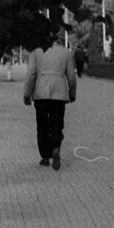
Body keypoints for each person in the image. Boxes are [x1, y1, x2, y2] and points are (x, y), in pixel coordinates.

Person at [23, 32, 77, 170]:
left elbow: (31, 74)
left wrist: (27, 94)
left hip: (41, 92)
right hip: (59, 92)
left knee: (42, 125)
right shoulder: (66, 52)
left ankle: (45, 157)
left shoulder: (36, 52)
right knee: (57, 123)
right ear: (57, 39)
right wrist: (72, 93)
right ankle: (56, 148)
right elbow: (71, 76)